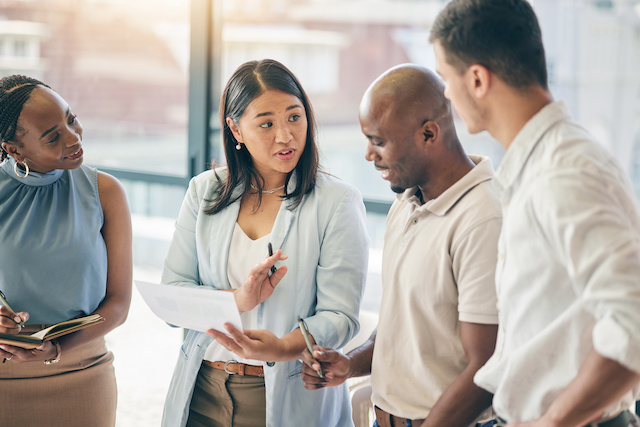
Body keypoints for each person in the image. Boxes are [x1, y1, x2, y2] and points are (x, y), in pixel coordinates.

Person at [430, 1, 640, 426]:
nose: (447, 95)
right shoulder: (535, 168)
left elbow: (634, 322)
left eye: (444, 79)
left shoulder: (565, 172)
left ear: (476, 79)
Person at [160, 59, 370, 427]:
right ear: (235, 129)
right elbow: (173, 298)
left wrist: (282, 347)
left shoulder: (337, 201)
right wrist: (238, 299)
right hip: (203, 388)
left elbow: (341, 316)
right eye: (267, 124)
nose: (286, 136)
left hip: (283, 395)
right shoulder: (204, 190)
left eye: (294, 117)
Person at [301, 64, 502, 427]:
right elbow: (404, 326)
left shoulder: (483, 217)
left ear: (429, 134)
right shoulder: (407, 202)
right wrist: (351, 363)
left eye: (379, 141)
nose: (368, 154)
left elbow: (485, 368)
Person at [0, 75, 132, 426]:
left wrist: (57, 349)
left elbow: (118, 305)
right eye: (52, 136)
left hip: (83, 373)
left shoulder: (105, 192)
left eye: (71, 118)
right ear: (14, 149)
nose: (74, 137)